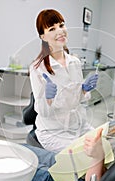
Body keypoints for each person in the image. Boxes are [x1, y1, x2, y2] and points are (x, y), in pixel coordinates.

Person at [29, 9, 99, 152]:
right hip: (53, 132)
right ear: (43, 36)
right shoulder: (37, 68)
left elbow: (78, 100)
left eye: (61, 25)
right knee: (84, 155)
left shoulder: (75, 62)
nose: (60, 31)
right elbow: (43, 111)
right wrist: (47, 98)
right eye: (52, 29)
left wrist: (84, 90)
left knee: (102, 143)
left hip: (79, 125)